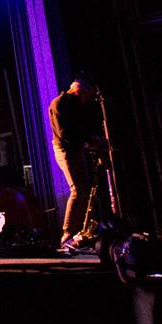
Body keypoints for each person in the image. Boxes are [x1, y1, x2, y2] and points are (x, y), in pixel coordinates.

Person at [48, 77, 106, 252]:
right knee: (77, 190)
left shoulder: (76, 105)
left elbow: (82, 128)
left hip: (75, 149)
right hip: (64, 150)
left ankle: (81, 231)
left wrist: (92, 138)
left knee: (85, 190)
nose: (86, 100)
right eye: (86, 96)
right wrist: (86, 142)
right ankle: (67, 233)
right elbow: (64, 133)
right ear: (79, 92)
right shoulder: (58, 104)